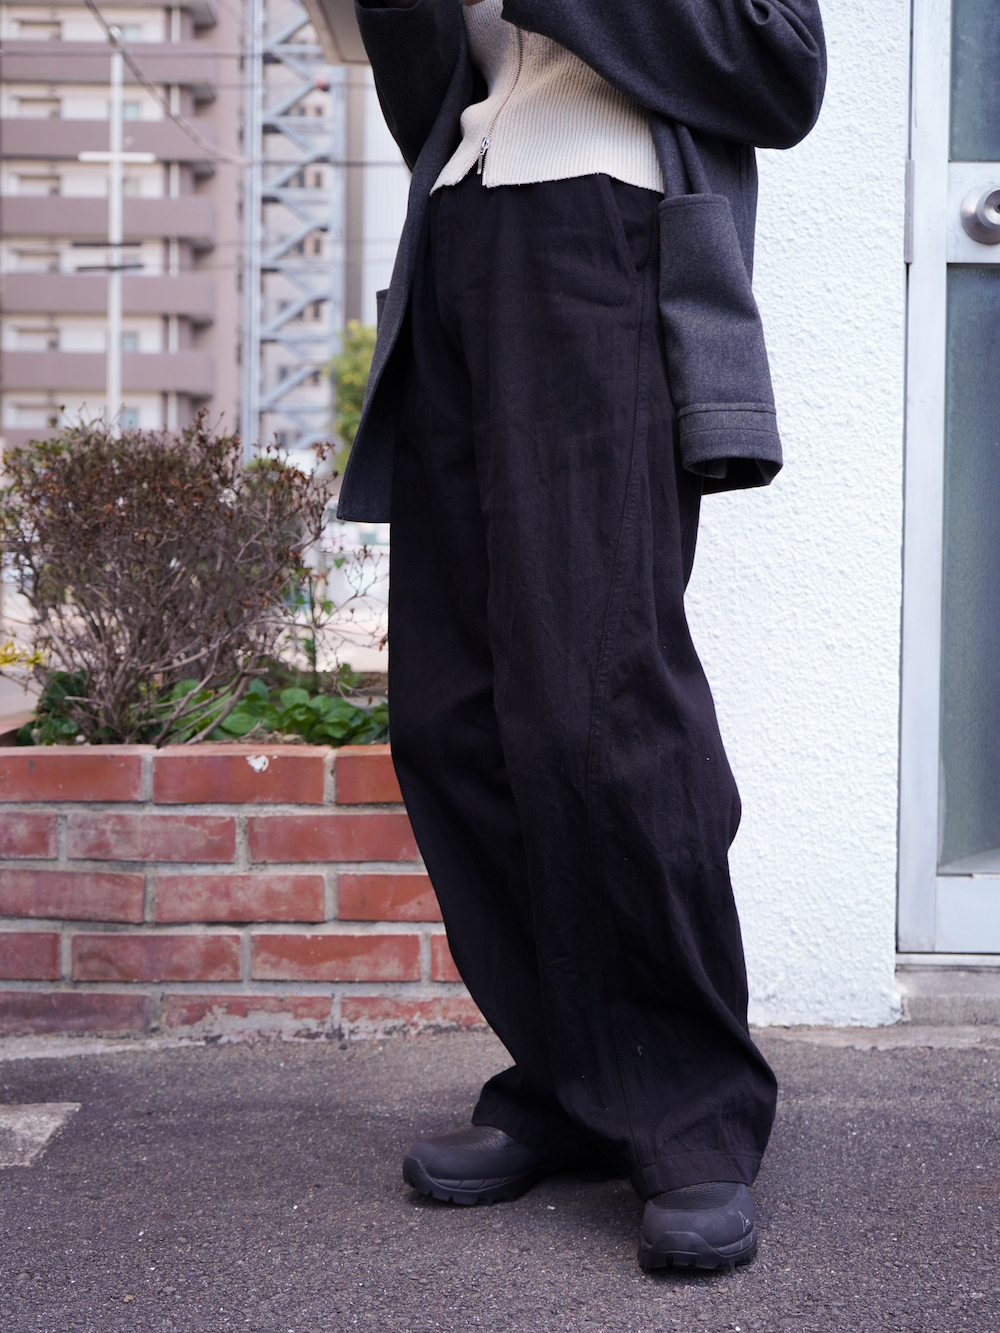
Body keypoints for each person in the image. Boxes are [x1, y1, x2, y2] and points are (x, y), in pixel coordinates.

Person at [338, 0, 826, 1271]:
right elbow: (425, 105)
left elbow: (780, 72)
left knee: (595, 702)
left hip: (603, 237)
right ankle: (569, 1077)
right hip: (460, 229)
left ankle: (694, 1113)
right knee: (450, 716)